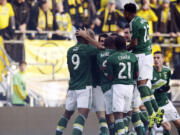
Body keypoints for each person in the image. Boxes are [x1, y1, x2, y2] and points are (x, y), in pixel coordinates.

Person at [124, 3, 164, 128]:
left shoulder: (133, 23)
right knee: (145, 86)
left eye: (124, 12)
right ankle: (157, 112)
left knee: (141, 86)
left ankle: (152, 114)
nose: (124, 15)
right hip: (147, 54)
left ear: (127, 13)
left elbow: (134, 43)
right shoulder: (143, 19)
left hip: (141, 55)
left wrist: (124, 49)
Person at [55, 31, 103, 135]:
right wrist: (89, 37)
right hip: (84, 86)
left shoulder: (70, 50)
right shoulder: (88, 49)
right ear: (85, 38)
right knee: (82, 114)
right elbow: (101, 47)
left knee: (66, 114)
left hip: (72, 86)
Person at [106, 35, 139, 135]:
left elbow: (110, 77)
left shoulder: (111, 58)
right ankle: (126, 132)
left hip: (118, 86)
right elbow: (136, 74)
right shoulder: (133, 57)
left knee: (118, 114)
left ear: (115, 46)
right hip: (130, 87)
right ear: (125, 45)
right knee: (127, 112)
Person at [152, 51, 180, 135]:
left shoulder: (167, 71)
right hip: (154, 106)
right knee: (167, 126)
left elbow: (166, 86)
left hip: (166, 103)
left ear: (163, 59)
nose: (156, 60)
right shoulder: (149, 72)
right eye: (154, 58)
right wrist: (156, 90)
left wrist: (166, 89)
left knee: (178, 124)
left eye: (158, 58)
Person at [97, 36, 116, 135]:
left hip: (107, 87)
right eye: (100, 41)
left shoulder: (98, 54)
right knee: (109, 114)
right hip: (108, 86)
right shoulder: (115, 53)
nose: (102, 43)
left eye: (104, 41)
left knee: (108, 114)